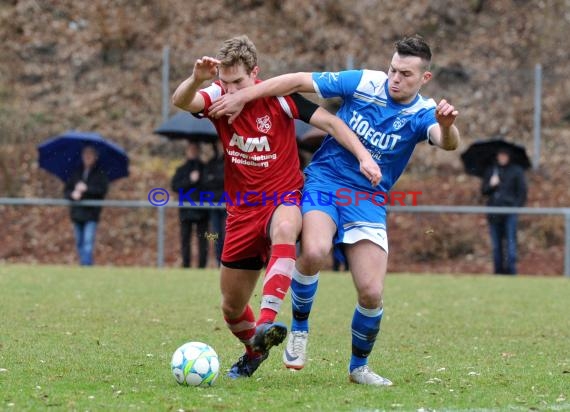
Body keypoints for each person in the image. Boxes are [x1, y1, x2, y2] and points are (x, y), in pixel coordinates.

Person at [209, 34, 461, 386]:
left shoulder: (423, 112)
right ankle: (298, 328)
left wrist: (448, 127)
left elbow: (447, 142)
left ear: (425, 78)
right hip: (324, 183)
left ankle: (359, 367)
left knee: (371, 292)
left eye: (405, 73)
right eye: (392, 69)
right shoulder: (363, 82)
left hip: (367, 199)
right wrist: (245, 93)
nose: (395, 78)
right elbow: (298, 81)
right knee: (313, 250)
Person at [171, 35, 380, 379]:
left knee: (285, 227)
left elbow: (332, 123)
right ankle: (255, 348)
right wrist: (198, 78)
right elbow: (182, 101)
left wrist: (363, 156)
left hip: (284, 196)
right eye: (226, 82)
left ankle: (267, 321)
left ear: (256, 74)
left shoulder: (281, 100)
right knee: (231, 306)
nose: (232, 89)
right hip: (241, 212)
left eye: (239, 82)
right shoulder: (218, 97)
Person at [481, 148, 527, 275]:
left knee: (511, 244)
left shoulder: (516, 171)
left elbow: (522, 193)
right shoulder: (491, 170)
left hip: (509, 213)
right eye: (500, 155)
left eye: (504, 155)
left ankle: (512, 272)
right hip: (493, 214)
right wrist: (491, 184)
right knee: (496, 246)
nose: (502, 158)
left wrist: (514, 207)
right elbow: (484, 191)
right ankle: (498, 272)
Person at [63, 145, 109, 266]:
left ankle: (86, 265)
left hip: (91, 213)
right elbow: (67, 191)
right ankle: (83, 264)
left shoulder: (100, 174)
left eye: (90, 155)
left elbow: (101, 191)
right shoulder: (76, 173)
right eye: (85, 155)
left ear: (95, 157)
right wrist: (73, 194)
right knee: (79, 242)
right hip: (77, 213)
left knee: (88, 241)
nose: (87, 158)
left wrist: (86, 190)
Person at [171, 141, 209, 268]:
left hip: (202, 210)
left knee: (203, 239)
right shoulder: (181, 170)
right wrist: (190, 180)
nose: (193, 152)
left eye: (195, 150)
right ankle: (186, 264)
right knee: (185, 239)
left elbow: (209, 186)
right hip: (186, 210)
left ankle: (202, 265)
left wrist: (200, 179)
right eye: (190, 150)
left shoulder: (204, 168)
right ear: (187, 152)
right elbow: (175, 186)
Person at [200, 139, 226, 266]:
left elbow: (226, 180)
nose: (220, 146)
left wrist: (214, 179)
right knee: (215, 234)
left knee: (227, 234)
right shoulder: (211, 163)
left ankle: (227, 262)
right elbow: (206, 181)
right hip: (213, 204)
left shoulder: (231, 161)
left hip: (228, 204)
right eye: (218, 144)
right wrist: (217, 179)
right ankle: (218, 261)